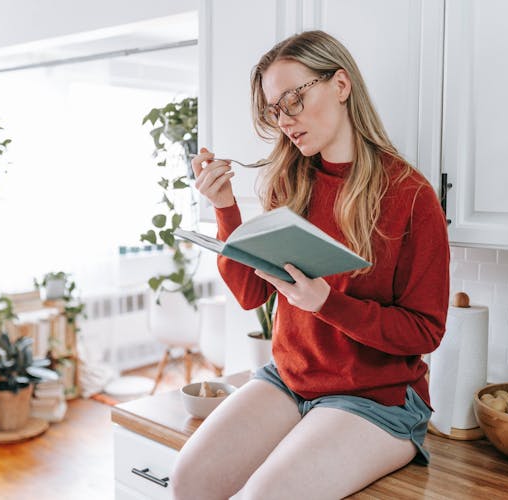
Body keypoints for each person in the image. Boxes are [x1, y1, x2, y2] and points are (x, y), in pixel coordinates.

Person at [172, 30, 450, 500]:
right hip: (290, 379)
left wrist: (327, 303)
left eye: (293, 100)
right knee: (188, 482)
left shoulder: (411, 197)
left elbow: (425, 333)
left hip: (378, 399)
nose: (284, 121)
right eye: (274, 109)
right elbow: (250, 295)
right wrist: (225, 207)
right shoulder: (291, 184)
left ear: (340, 85)